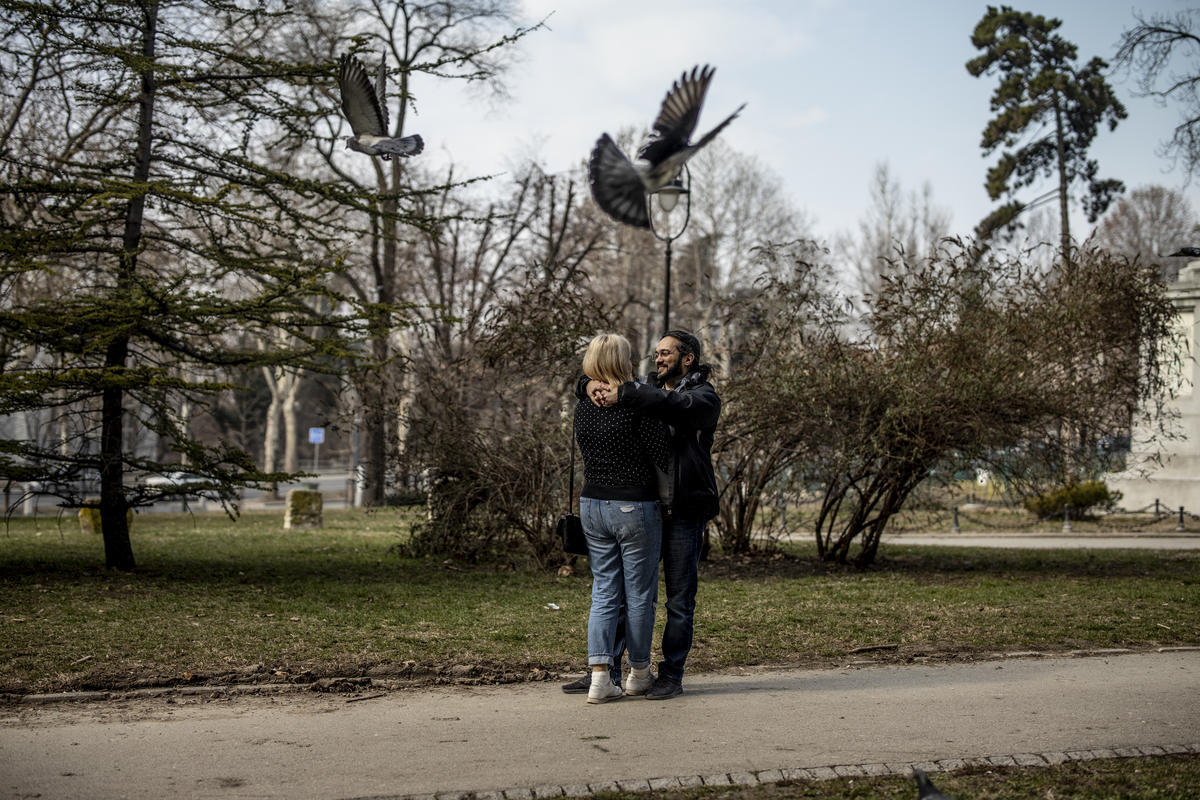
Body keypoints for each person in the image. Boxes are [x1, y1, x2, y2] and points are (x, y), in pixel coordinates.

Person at [585, 329, 720, 700]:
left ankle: (671, 674)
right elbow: (607, 376)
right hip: (642, 508)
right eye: (656, 353)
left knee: (679, 599)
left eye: (665, 353)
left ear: (687, 358)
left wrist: (627, 392)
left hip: (682, 512)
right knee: (626, 594)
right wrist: (588, 384)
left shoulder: (703, 397)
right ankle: (607, 671)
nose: (657, 359)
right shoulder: (645, 387)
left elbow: (674, 406)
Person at [572, 333, 670, 703]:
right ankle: (639, 673)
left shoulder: (584, 405)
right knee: (640, 594)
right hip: (634, 507)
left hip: (592, 505)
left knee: (604, 592)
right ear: (623, 360)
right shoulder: (636, 406)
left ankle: (600, 678)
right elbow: (662, 454)